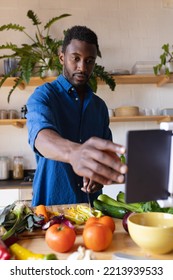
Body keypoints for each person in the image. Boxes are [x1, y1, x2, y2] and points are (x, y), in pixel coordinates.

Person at [26, 25, 127, 206]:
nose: (82, 67)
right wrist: (75, 153)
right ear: (62, 57)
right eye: (76, 59)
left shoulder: (99, 107)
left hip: (92, 213)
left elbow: (105, 155)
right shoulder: (43, 96)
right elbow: (41, 137)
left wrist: (100, 175)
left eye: (89, 61)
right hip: (50, 210)